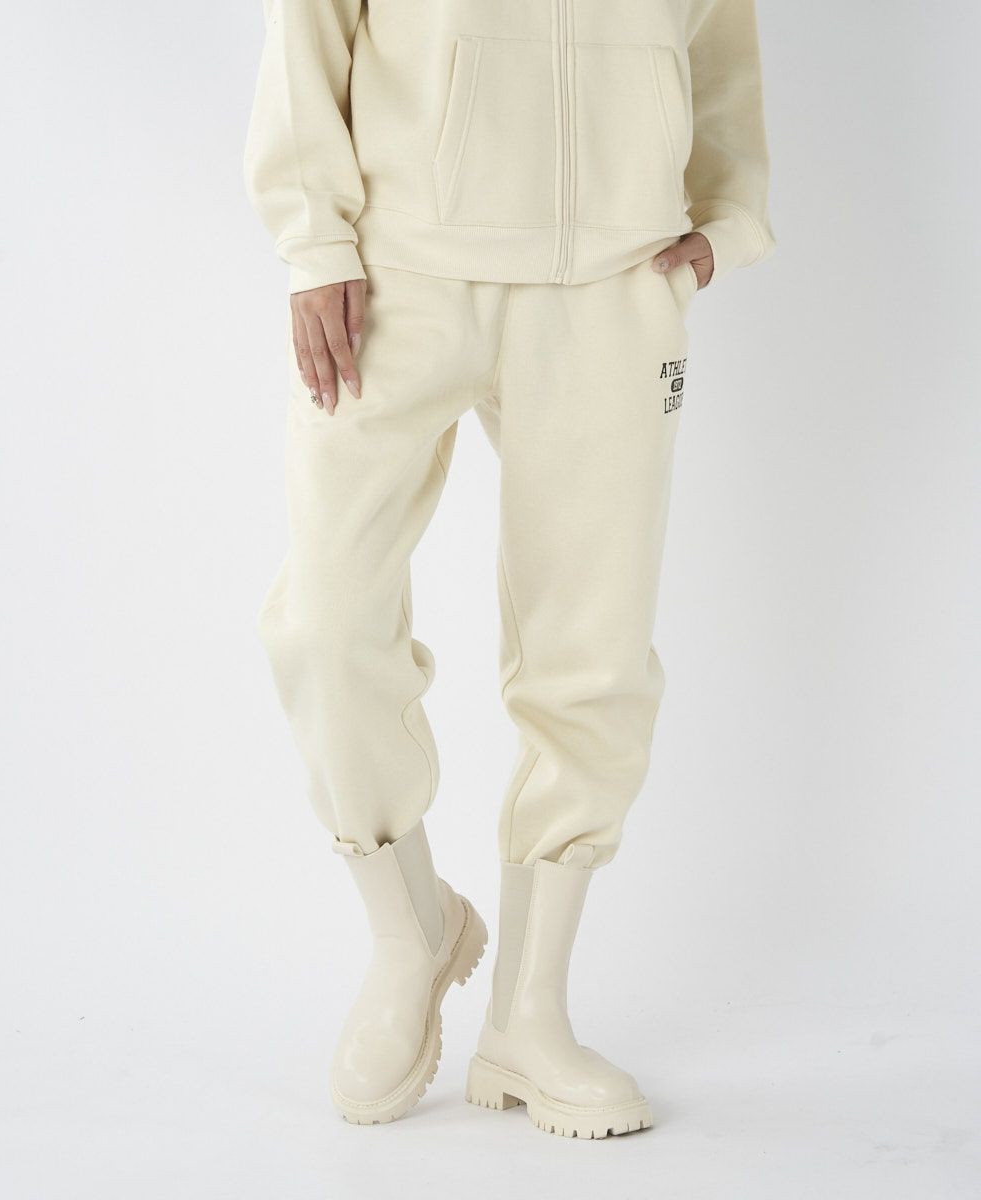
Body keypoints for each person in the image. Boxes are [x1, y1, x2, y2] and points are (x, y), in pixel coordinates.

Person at [244, 0, 774, 1139]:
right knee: (324, 621)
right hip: (397, 273)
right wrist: (315, 242)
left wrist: (725, 217)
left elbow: (719, 34)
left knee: (593, 656)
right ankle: (411, 931)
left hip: (616, 282)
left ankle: (530, 1017)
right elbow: (310, 25)